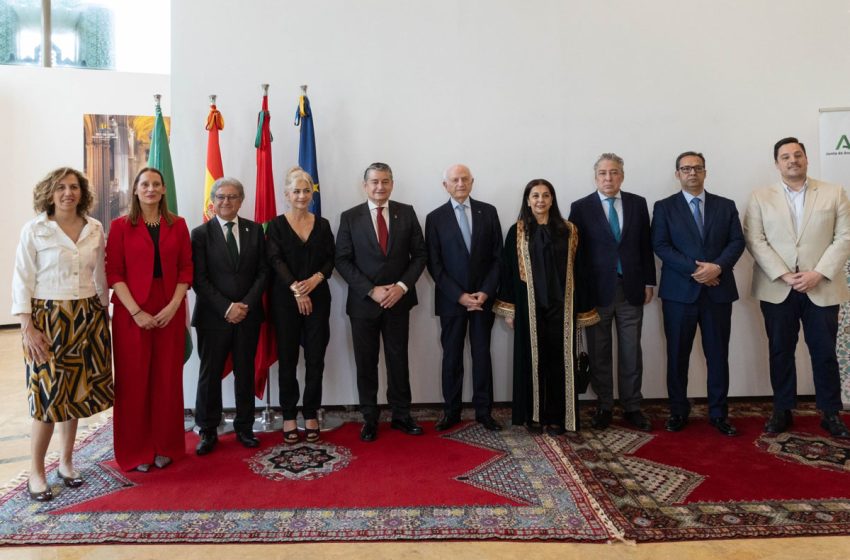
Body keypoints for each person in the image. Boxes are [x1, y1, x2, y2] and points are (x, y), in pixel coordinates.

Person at [12, 167, 113, 502]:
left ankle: (66, 463)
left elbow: (102, 274)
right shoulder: (35, 229)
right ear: (49, 193)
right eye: (61, 187)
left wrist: (105, 314)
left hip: (88, 316)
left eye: (73, 187)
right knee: (47, 397)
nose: (68, 193)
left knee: (76, 394)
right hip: (48, 319)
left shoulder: (95, 228)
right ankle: (37, 472)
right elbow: (22, 278)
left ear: (82, 193)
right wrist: (27, 325)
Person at [744, 137, 850, 439]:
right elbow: (755, 239)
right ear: (777, 163)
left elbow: (844, 238)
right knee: (780, 350)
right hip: (778, 288)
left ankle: (830, 412)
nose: (793, 160)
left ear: (806, 159)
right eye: (785, 156)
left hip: (821, 286)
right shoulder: (760, 197)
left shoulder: (834, 193)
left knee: (824, 352)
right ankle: (782, 409)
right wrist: (784, 274)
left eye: (798, 155)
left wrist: (818, 273)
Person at [494, 179, 599, 435]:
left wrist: (582, 310)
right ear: (527, 200)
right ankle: (533, 417)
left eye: (545, 195)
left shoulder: (570, 231)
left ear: (552, 199)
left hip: (562, 309)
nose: (540, 200)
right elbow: (507, 271)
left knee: (559, 363)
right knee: (532, 362)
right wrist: (510, 310)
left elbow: (581, 270)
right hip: (530, 308)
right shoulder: (516, 232)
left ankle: (558, 418)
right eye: (535, 196)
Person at [651, 151, 745, 436]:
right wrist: (698, 271)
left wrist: (716, 268)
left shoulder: (725, 205)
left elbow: (737, 242)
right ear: (677, 174)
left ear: (706, 172)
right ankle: (678, 411)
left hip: (718, 294)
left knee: (718, 356)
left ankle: (719, 414)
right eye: (686, 168)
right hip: (679, 294)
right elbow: (661, 245)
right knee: (677, 355)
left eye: (697, 168)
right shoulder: (664, 207)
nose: (692, 173)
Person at [106, 167, 193, 471]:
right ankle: (137, 451)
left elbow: (186, 268)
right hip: (132, 311)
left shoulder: (178, 225)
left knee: (167, 380)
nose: (151, 189)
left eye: (157, 184)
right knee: (134, 382)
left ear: (164, 189)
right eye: (145, 184)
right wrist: (135, 311)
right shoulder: (119, 226)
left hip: (170, 305)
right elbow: (113, 272)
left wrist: (174, 306)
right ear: (135, 189)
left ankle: (164, 445)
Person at [335, 162, 427, 442]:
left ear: (392, 184)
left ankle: (401, 415)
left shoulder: (406, 213)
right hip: (364, 304)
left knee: (398, 360)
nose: (380, 186)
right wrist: (370, 290)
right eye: (374, 181)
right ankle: (370, 418)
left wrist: (401, 287)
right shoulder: (350, 217)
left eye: (385, 181)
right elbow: (342, 259)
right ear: (365, 185)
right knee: (366, 362)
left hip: (398, 301)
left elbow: (420, 255)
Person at [569, 153, 656, 432]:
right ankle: (604, 405)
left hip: (630, 289)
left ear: (622, 175)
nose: (609, 178)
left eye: (614, 172)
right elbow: (575, 254)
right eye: (603, 173)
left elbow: (645, 245)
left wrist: (649, 282)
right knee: (599, 351)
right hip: (596, 292)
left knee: (632, 351)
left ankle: (632, 406)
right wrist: (579, 292)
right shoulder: (581, 207)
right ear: (595, 177)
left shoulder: (637, 203)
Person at [191, 177, 268, 455]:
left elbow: (263, 272)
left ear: (241, 200)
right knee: (210, 375)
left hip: (248, 315)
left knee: (245, 373)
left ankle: (245, 428)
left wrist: (244, 305)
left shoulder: (255, 230)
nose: (226, 202)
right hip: (213, 318)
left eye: (233, 197)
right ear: (213, 201)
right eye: (221, 197)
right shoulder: (200, 234)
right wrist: (227, 308)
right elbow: (199, 279)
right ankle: (208, 430)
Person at [425, 164, 503, 432]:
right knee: (452, 357)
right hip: (451, 301)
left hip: (483, 300)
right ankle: (451, 412)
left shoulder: (488, 212)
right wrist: (459, 296)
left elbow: (497, 258)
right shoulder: (434, 218)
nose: (460, 183)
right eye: (454, 180)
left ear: (472, 182)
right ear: (444, 185)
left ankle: (484, 412)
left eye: (465, 179)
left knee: (482, 355)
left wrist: (485, 292)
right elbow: (435, 265)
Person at [267, 167, 335, 444]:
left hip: (319, 298)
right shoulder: (275, 225)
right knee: (288, 360)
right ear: (286, 194)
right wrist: (297, 290)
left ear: (312, 193)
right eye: (296, 191)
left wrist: (316, 280)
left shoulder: (323, 224)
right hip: (285, 300)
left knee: (315, 359)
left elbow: (331, 259)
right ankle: (289, 417)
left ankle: (310, 414)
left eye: (306, 190)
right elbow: (274, 260)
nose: (302, 195)